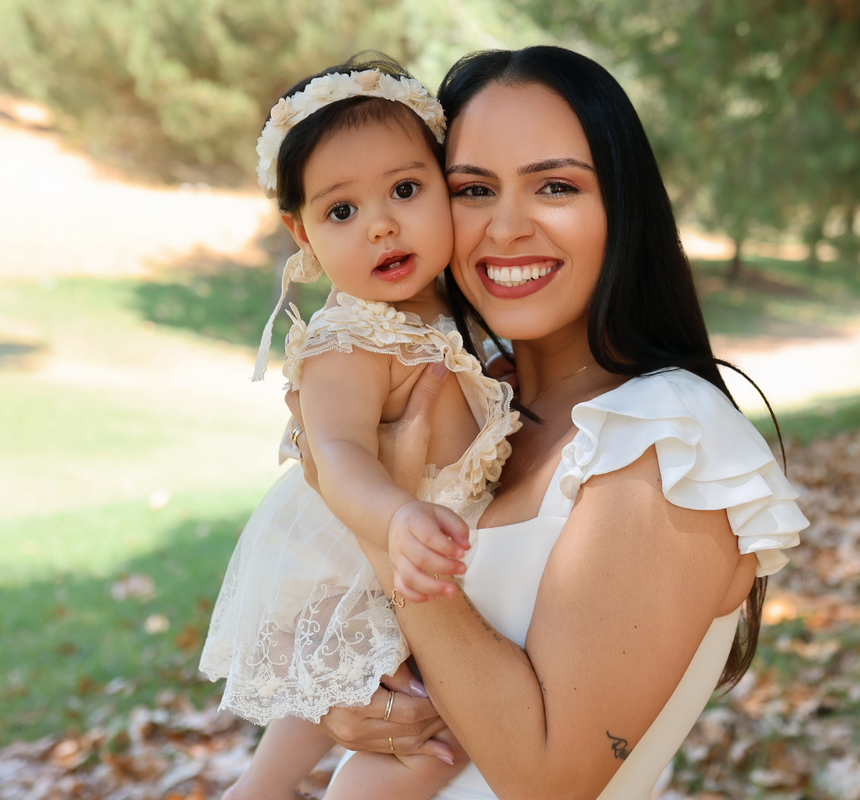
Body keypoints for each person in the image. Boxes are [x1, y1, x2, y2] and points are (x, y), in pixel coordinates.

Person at [287, 46, 809, 799]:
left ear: (622, 208)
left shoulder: (663, 436)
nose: (506, 228)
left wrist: (385, 534)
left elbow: (551, 782)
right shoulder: (469, 407)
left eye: (556, 186)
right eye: (472, 190)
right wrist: (356, 699)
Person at [198, 54, 521, 800]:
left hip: (420, 561)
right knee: (422, 736)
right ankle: (261, 788)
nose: (381, 225)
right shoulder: (353, 340)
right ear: (301, 233)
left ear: (447, 186)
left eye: (406, 190)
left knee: (404, 721)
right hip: (357, 558)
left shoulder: (461, 316)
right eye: (341, 211)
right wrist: (396, 516)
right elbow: (336, 455)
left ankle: (260, 788)